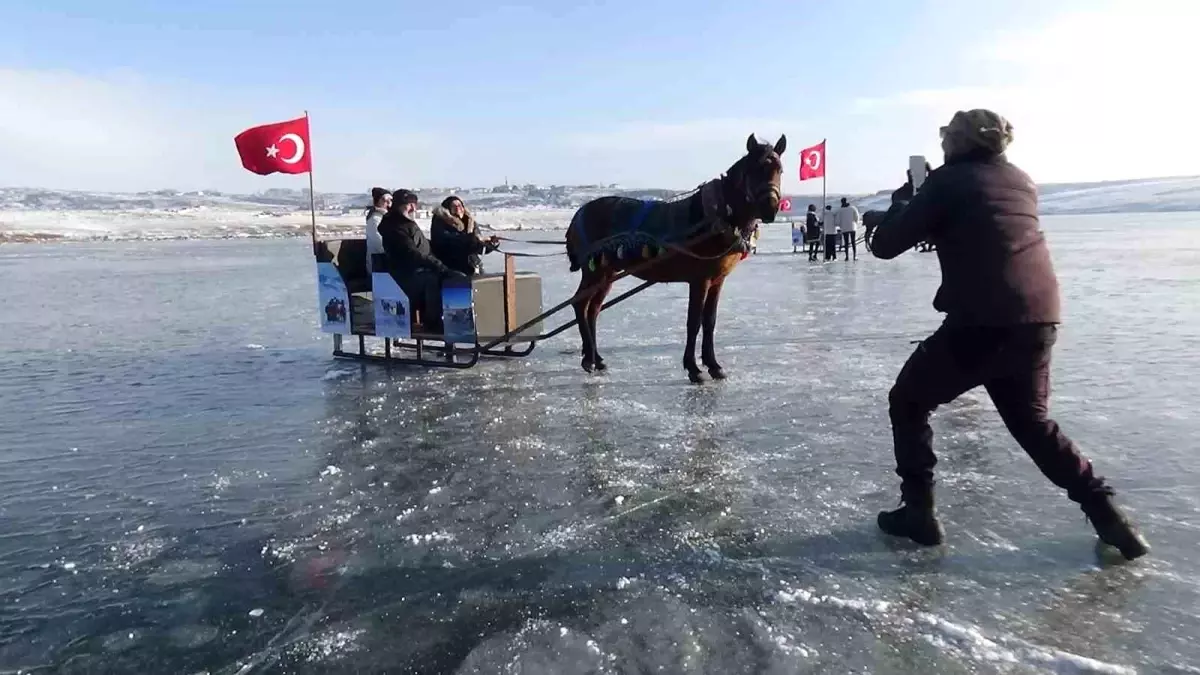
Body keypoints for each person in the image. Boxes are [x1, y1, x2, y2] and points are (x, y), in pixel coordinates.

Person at [870, 108, 1149, 560]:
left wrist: (905, 200)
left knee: (908, 400)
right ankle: (1110, 517)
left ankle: (919, 510)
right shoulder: (1021, 180)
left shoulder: (948, 180)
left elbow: (885, 246)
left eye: (946, 140)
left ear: (957, 143)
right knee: (1033, 425)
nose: (942, 147)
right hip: (1039, 317)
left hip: (981, 321)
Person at [377, 189, 468, 333]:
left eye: (414, 204)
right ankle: (434, 324)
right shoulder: (394, 226)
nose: (413, 208)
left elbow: (424, 247)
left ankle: (461, 321)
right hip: (405, 273)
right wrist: (440, 268)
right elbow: (412, 253)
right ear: (399, 205)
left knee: (456, 274)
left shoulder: (406, 222)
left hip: (418, 268)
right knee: (433, 280)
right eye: (409, 205)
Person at [430, 196, 499, 276]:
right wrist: (471, 239)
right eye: (454, 206)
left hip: (473, 264)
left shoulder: (469, 221)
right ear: (448, 209)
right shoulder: (440, 221)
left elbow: (477, 246)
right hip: (451, 266)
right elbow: (448, 242)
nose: (458, 208)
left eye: (460, 205)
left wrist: (490, 244)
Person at [364, 188, 391, 274]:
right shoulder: (375, 219)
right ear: (377, 201)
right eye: (385, 200)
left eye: (391, 200)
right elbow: (379, 243)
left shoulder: (387, 217)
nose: (389, 203)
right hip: (378, 264)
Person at [836, 197, 860, 261]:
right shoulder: (853, 208)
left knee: (846, 243)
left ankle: (847, 257)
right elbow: (857, 217)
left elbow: (837, 220)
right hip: (852, 227)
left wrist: (839, 225)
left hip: (844, 228)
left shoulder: (840, 210)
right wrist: (856, 223)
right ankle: (855, 256)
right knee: (853, 242)